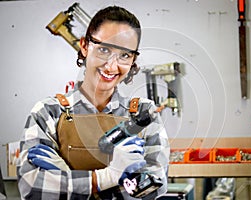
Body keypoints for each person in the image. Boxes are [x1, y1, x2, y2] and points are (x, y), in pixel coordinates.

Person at [17, 5, 170, 200]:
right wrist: (107, 178)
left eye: (125, 55)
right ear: (85, 46)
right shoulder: (48, 112)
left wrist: (67, 180)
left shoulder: (143, 112)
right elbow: (31, 189)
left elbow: (155, 189)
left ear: (133, 60)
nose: (112, 66)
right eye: (104, 49)